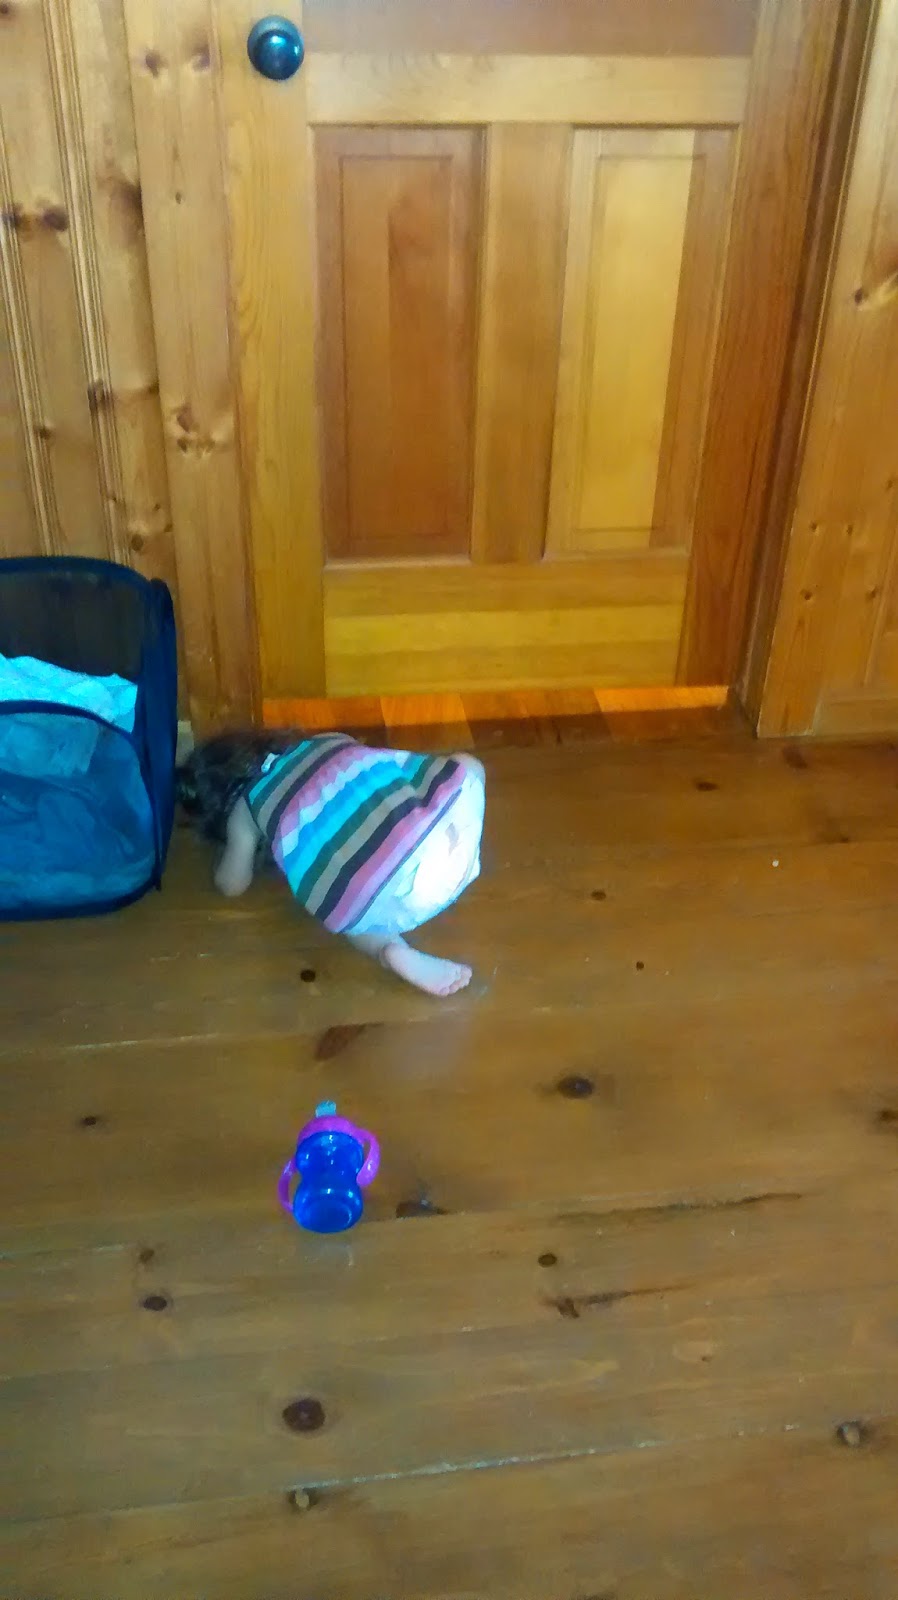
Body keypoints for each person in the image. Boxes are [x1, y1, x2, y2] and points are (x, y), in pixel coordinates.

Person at [178, 730, 485, 997]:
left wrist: (223, 860)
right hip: (449, 848)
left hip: (388, 896)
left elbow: (232, 885)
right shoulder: (327, 739)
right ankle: (459, 840)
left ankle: (389, 950)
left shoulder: (247, 808)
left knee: (349, 907)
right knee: (467, 765)